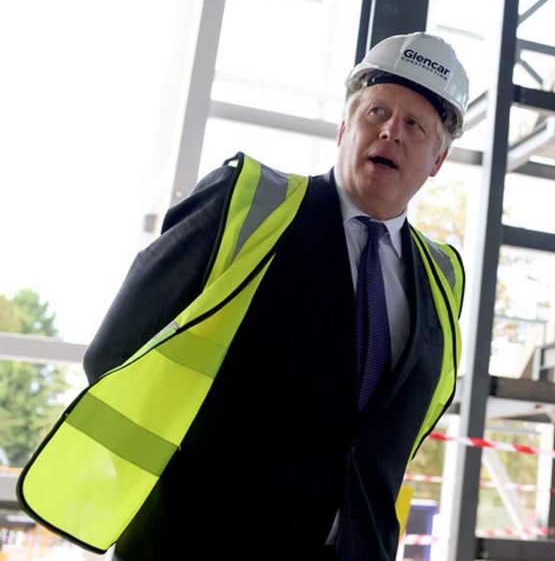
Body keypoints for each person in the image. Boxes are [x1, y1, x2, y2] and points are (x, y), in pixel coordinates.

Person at [18, 33, 470, 561]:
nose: (391, 130)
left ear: (437, 159)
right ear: (346, 127)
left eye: (414, 125)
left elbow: (387, 433)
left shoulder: (440, 277)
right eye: (377, 112)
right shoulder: (248, 203)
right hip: (201, 542)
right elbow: (115, 352)